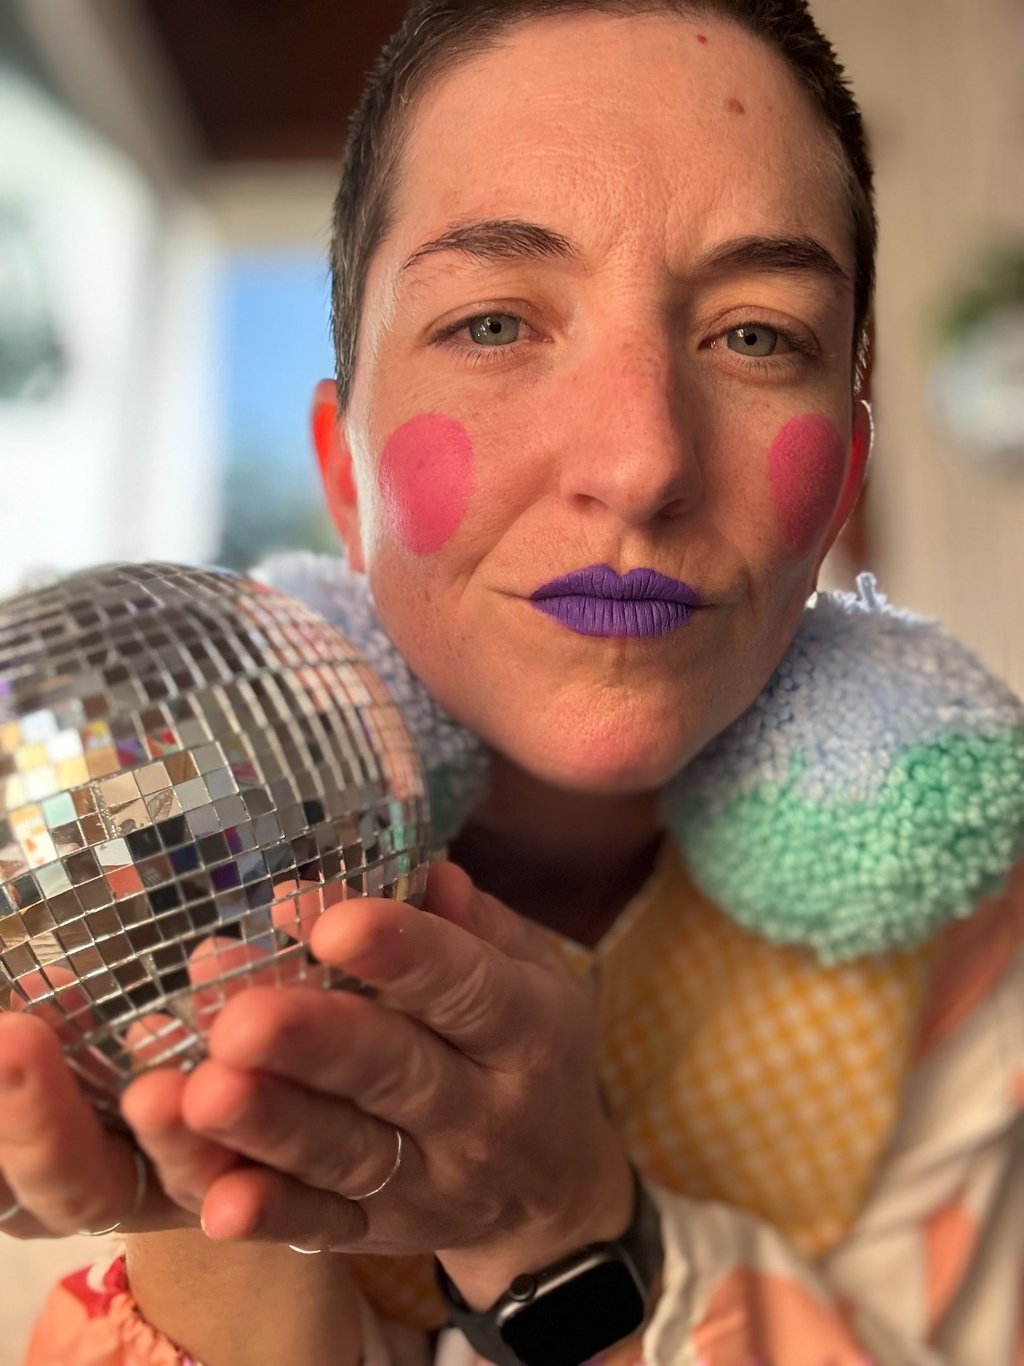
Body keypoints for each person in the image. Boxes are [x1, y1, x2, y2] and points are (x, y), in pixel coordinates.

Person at [3, 1, 1022, 1362]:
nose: (642, 462)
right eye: (493, 321)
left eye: (756, 335)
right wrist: (218, 1209)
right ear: (345, 477)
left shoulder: (982, 949)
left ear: (844, 474)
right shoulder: (72, 927)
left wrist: (562, 1223)